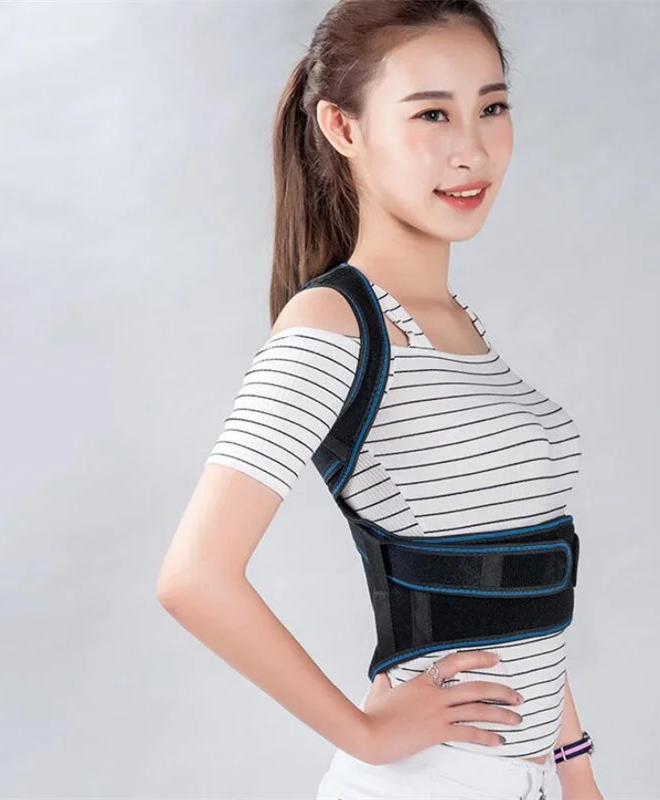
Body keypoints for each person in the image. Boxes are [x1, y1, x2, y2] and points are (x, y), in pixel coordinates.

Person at [157, 1, 603, 798]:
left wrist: (575, 770)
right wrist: (365, 733)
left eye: (491, 107)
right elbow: (194, 578)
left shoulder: (455, 326)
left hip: (522, 780)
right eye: (432, 113)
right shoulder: (332, 324)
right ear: (343, 127)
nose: (472, 150)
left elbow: (518, 589)